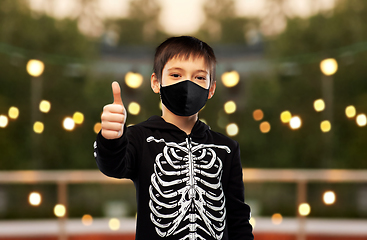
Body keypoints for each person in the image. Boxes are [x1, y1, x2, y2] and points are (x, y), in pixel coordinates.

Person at [93, 36, 253, 240]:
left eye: (200, 78)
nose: (187, 84)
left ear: (211, 89)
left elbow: (238, 219)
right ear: (156, 82)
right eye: (176, 75)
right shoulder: (140, 139)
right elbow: (112, 165)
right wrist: (111, 137)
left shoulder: (226, 148)